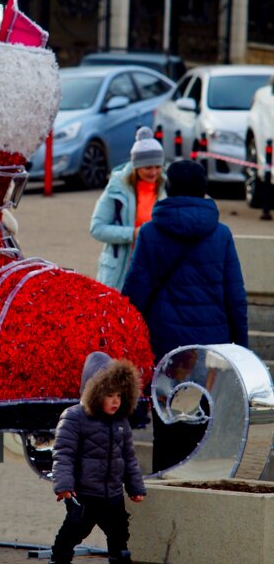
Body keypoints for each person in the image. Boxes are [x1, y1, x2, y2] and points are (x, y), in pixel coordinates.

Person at [122, 159, 248, 472]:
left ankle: (167, 490)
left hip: (167, 350)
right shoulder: (222, 234)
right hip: (210, 352)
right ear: (204, 190)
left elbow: (134, 295)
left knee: (167, 425)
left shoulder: (151, 233)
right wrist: (241, 352)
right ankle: (198, 493)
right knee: (202, 424)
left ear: (169, 188)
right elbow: (235, 297)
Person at [44, 351, 146, 564]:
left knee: (119, 530)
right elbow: (64, 455)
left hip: (111, 491)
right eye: (109, 395)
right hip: (84, 491)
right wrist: (64, 485)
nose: (115, 401)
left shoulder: (120, 422)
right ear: (95, 392)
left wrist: (135, 487)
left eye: (119, 396)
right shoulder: (74, 417)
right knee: (75, 528)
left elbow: (129, 458)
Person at [90, 126, 165, 291]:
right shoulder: (116, 187)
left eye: (158, 167)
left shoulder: (166, 188)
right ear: (136, 166)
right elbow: (97, 228)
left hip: (155, 271)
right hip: (120, 273)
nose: (154, 172)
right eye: (148, 167)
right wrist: (132, 234)